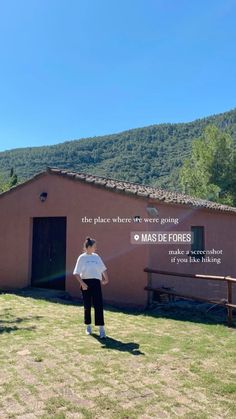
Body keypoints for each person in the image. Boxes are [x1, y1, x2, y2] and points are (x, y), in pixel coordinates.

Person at [73, 237, 109, 338]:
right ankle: (88, 326)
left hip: (96, 283)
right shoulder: (82, 257)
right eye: (94, 246)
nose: (95, 248)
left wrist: (106, 279)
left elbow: (103, 268)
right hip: (85, 283)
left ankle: (101, 329)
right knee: (87, 305)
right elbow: (76, 273)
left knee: (98, 305)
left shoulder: (96, 257)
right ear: (88, 247)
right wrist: (82, 284)